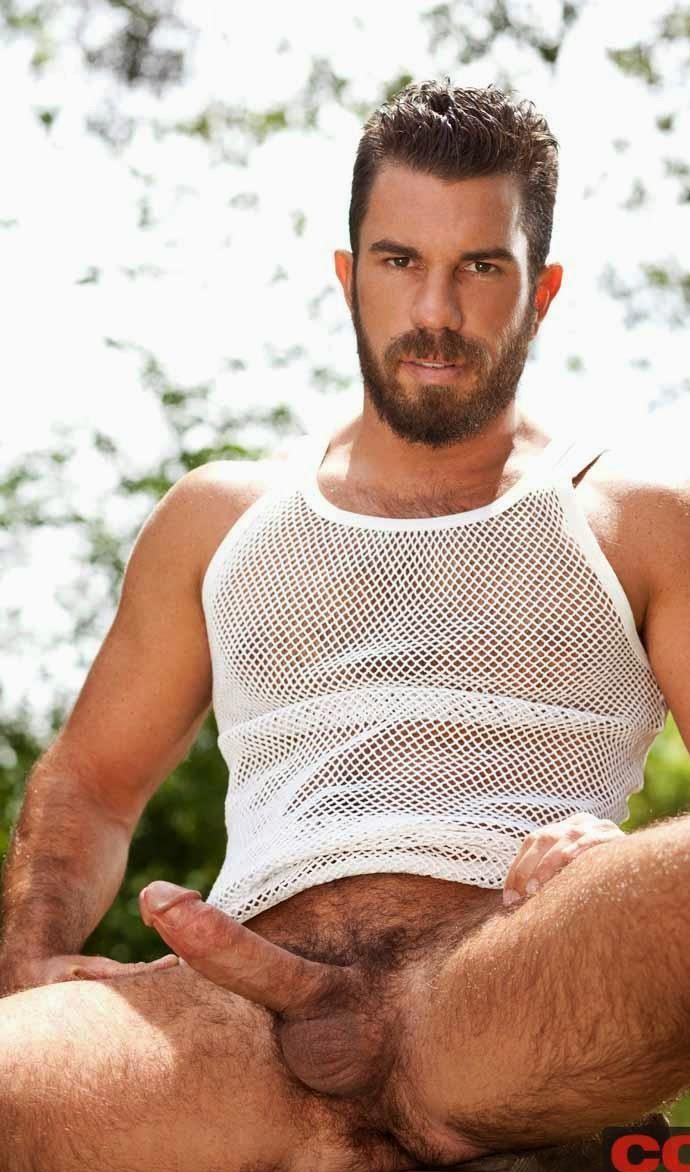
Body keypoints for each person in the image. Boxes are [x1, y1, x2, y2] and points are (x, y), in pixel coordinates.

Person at [0, 79, 688, 1172]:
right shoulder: (217, 518)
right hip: (232, 1017)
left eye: (481, 267)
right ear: (348, 274)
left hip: (503, 991)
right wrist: (30, 956)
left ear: (543, 290)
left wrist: (611, 867)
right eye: (399, 260)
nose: (435, 311)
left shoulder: (637, 517)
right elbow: (89, 780)